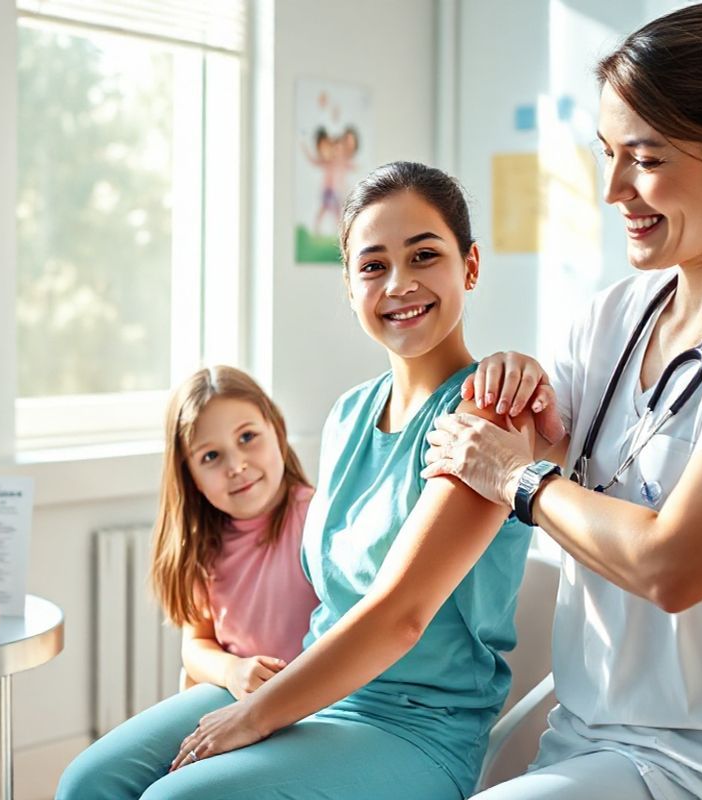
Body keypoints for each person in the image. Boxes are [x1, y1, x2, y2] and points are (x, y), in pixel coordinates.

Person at [423, 3, 702, 798]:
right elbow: (521, 447)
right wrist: (515, 395)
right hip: (588, 734)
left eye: (647, 159)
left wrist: (521, 480)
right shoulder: (612, 316)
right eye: (606, 154)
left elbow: (674, 563)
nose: (615, 189)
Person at [60, 161, 535, 799]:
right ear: (348, 286)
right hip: (313, 691)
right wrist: (244, 681)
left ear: (469, 266)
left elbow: (399, 617)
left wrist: (255, 715)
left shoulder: (488, 412)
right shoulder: (345, 417)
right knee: (88, 782)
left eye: (424, 255)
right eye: (372, 265)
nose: (399, 283)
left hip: (417, 730)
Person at [57, 365, 320, 796]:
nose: (236, 465)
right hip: (232, 696)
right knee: (81, 784)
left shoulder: (319, 517)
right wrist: (234, 670)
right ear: (190, 474)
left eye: (247, 437)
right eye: (210, 457)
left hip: (307, 706)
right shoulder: (203, 545)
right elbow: (196, 644)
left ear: (277, 428)